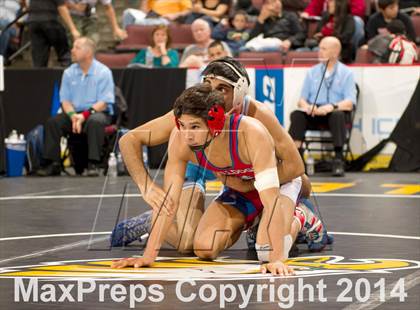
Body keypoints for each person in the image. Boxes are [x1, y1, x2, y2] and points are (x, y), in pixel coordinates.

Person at [110, 57, 327, 253]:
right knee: (190, 244)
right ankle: (151, 221)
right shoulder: (194, 114)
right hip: (200, 168)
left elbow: (295, 167)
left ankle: (286, 219)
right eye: (208, 86)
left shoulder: (257, 119)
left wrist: (247, 185)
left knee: (302, 185)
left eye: (223, 89)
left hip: (248, 177)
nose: (213, 95)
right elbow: (129, 140)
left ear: (239, 93)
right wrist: (146, 186)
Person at [37, 37, 115, 177]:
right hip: (75, 113)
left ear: (89, 52)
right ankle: (53, 163)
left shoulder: (103, 72)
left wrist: (84, 115)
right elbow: (65, 101)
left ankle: (94, 163)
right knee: (53, 122)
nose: (72, 50)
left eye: (77, 47)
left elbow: (104, 102)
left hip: (97, 112)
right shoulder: (69, 73)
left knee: (94, 121)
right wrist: (73, 116)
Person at [288, 36, 357, 177]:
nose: (319, 52)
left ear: (335, 52)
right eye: (319, 48)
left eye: (323, 49)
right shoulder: (312, 72)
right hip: (314, 111)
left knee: (338, 115)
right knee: (297, 115)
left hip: (334, 111)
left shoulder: (346, 73)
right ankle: (298, 160)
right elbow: (301, 100)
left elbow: (350, 102)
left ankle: (338, 160)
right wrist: (308, 107)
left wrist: (332, 106)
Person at [26, 0, 81, 67]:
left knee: (39, 60)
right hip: (50, 20)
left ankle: (39, 76)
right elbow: (61, 7)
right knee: (65, 56)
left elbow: (27, 4)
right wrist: (73, 29)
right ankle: (67, 74)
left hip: (33, 21)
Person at [122, 0, 192, 27]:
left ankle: (136, 24)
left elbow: (188, 10)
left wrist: (174, 15)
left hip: (166, 20)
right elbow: (143, 12)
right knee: (127, 13)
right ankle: (126, 38)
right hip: (150, 17)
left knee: (159, 22)